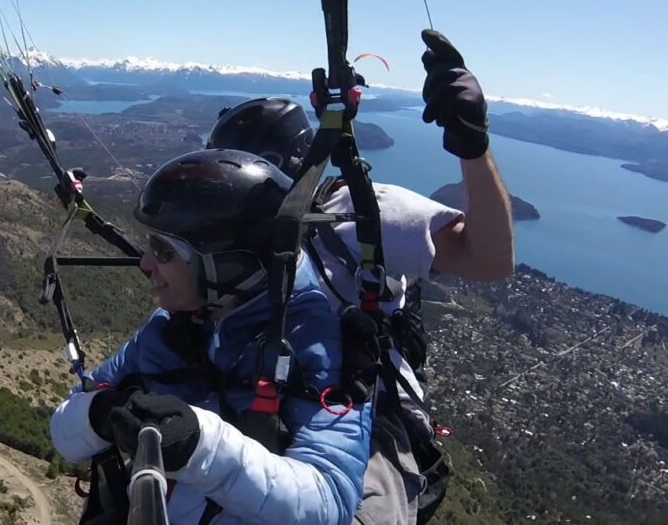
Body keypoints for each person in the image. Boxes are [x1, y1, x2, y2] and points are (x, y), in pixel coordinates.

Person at [206, 30, 515, 524]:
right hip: (257, 398)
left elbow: (489, 259)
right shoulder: (237, 238)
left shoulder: (358, 211)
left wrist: (472, 146)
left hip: (363, 415)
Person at [50, 148, 373, 524]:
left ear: (225, 266)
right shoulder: (171, 329)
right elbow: (64, 432)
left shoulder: (314, 345)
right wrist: (100, 414)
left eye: (163, 250)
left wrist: (200, 444)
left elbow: (330, 501)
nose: (145, 263)